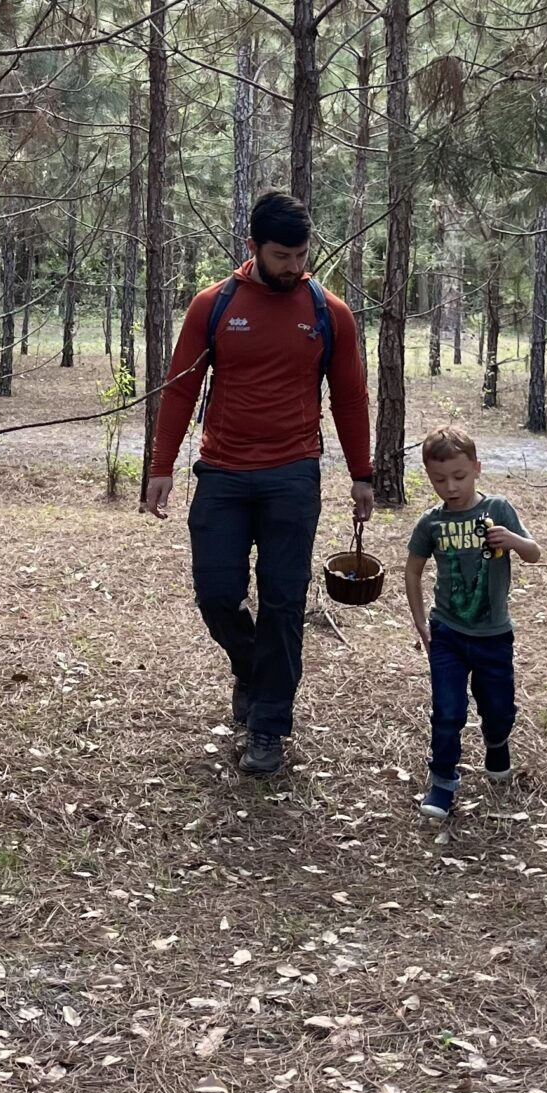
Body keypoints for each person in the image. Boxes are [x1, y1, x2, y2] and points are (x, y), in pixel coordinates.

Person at [144, 188, 375, 777]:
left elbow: (349, 397)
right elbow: (179, 389)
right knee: (216, 594)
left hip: (292, 477)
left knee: (282, 600)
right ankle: (251, 669)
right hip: (221, 473)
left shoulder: (329, 313)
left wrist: (361, 474)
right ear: (253, 248)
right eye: (281, 256)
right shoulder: (214, 306)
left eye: (301, 256)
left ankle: (269, 725)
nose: (294, 267)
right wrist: (160, 466)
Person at [402, 423, 541, 821]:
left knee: (498, 708)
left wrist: (511, 540)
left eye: (459, 476)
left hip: (493, 635)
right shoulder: (431, 523)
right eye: (439, 479)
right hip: (446, 632)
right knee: (448, 710)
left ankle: (497, 742)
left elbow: (533, 551)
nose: (450, 487)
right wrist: (420, 623)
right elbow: (412, 571)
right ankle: (443, 780)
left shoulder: (497, 509)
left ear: (477, 468)